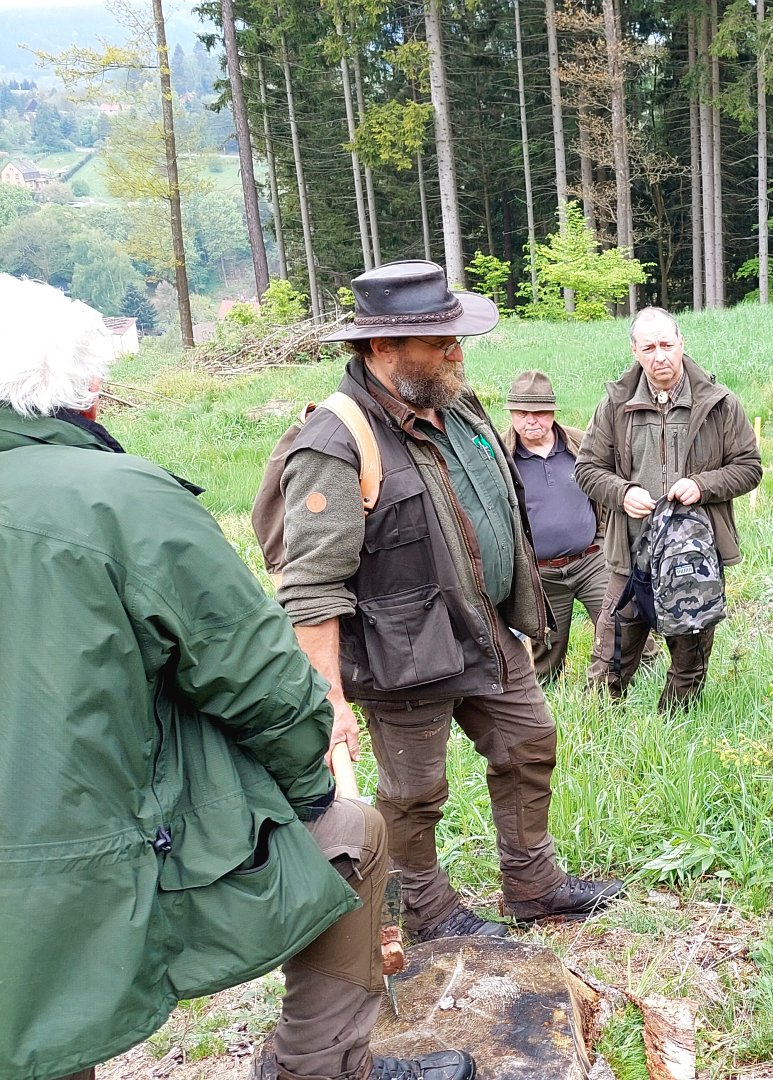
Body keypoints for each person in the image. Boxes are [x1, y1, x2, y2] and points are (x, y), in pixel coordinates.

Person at [0, 274, 474, 1080]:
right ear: (85, 387)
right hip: (85, 845)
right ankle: (320, 1068)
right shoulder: (119, 499)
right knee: (353, 836)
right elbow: (255, 673)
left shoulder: (456, 420)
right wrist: (310, 782)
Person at [275, 260, 623, 943]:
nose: (456, 353)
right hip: (404, 653)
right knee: (413, 793)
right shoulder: (335, 442)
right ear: (382, 346)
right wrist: (330, 700)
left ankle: (534, 883)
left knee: (527, 745)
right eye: (439, 342)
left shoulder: (458, 407)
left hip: (488, 627)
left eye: (456, 339)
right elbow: (311, 586)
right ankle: (427, 913)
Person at [576, 306, 762, 710]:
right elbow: (587, 469)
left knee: (688, 664)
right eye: (648, 348)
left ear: (681, 343)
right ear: (635, 351)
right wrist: (622, 492)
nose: (659, 356)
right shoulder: (615, 404)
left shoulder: (719, 404)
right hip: (630, 558)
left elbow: (749, 468)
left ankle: (675, 731)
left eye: (666, 344)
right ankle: (599, 730)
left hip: (693, 558)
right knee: (608, 663)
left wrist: (702, 485)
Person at [499, 369, 658, 681]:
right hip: (539, 572)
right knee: (547, 648)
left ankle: (644, 678)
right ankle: (547, 697)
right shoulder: (501, 457)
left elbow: (609, 483)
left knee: (623, 620)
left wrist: (605, 535)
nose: (531, 421)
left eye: (539, 413)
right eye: (522, 413)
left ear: (552, 412)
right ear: (512, 414)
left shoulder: (580, 444)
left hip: (591, 559)